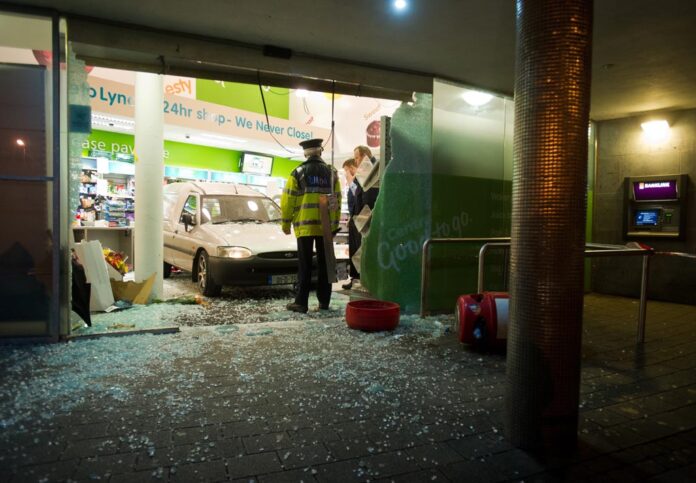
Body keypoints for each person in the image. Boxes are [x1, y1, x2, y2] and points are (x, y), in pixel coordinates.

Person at [281, 138, 341, 313]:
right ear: (320, 151)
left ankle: (301, 302)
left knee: (305, 264)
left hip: (305, 226)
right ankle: (324, 302)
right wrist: (334, 224)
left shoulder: (297, 172)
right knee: (325, 264)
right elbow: (336, 199)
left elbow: (288, 200)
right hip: (325, 227)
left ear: (305, 153)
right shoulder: (332, 173)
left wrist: (285, 223)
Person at [341, 146, 380, 290]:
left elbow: (367, 197)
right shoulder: (364, 170)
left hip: (366, 219)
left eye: (357, 157)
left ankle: (363, 280)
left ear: (365, 156)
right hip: (358, 218)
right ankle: (356, 278)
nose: (355, 161)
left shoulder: (373, 169)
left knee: (363, 251)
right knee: (356, 250)